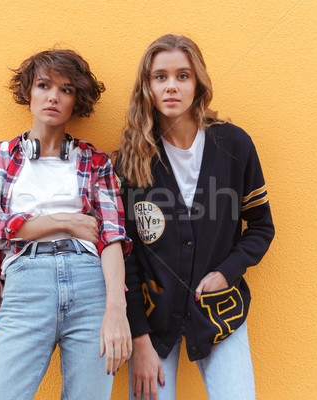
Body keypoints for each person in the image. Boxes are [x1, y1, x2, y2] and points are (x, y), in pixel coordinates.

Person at [0, 49, 132, 400]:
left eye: (66, 89)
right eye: (44, 85)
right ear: (29, 92)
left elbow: (112, 236)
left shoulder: (96, 161)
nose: (53, 96)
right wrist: (66, 221)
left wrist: (116, 309)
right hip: (27, 283)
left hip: (91, 286)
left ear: (76, 101)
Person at [115, 34, 275, 400]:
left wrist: (227, 271)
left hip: (221, 313)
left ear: (198, 82)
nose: (172, 86)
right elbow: (126, 256)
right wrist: (139, 340)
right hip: (153, 321)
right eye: (160, 77)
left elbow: (261, 226)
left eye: (183, 76)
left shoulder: (234, 145)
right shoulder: (131, 159)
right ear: (147, 86)